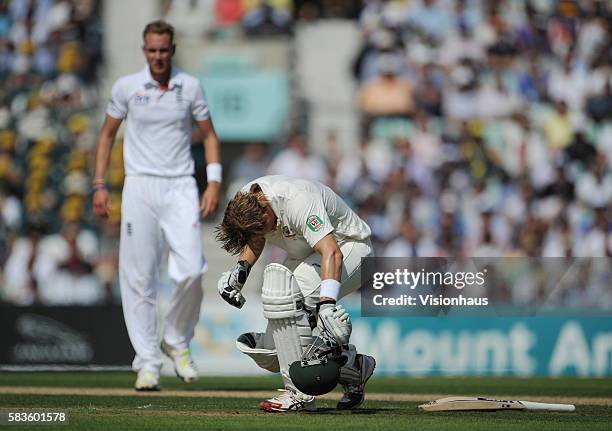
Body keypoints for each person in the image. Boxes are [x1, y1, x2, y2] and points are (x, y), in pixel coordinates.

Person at [92, 20, 221, 391]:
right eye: (152, 50)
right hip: (139, 187)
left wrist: (212, 182)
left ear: (173, 50)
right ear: (144, 51)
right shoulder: (127, 88)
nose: (158, 56)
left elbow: (209, 136)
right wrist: (99, 184)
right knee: (139, 277)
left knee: (192, 269)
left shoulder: (190, 86)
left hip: (180, 186)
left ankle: (177, 340)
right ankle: (147, 362)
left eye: (164, 50)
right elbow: (106, 135)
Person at [216, 175, 376, 412]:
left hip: (351, 249)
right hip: (308, 256)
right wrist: (241, 269)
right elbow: (256, 236)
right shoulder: (249, 200)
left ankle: (299, 394)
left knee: (282, 291)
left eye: (262, 226)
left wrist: (327, 303)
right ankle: (352, 366)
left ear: (265, 211)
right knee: (271, 352)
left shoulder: (297, 200)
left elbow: (332, 252)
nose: (260, 233)